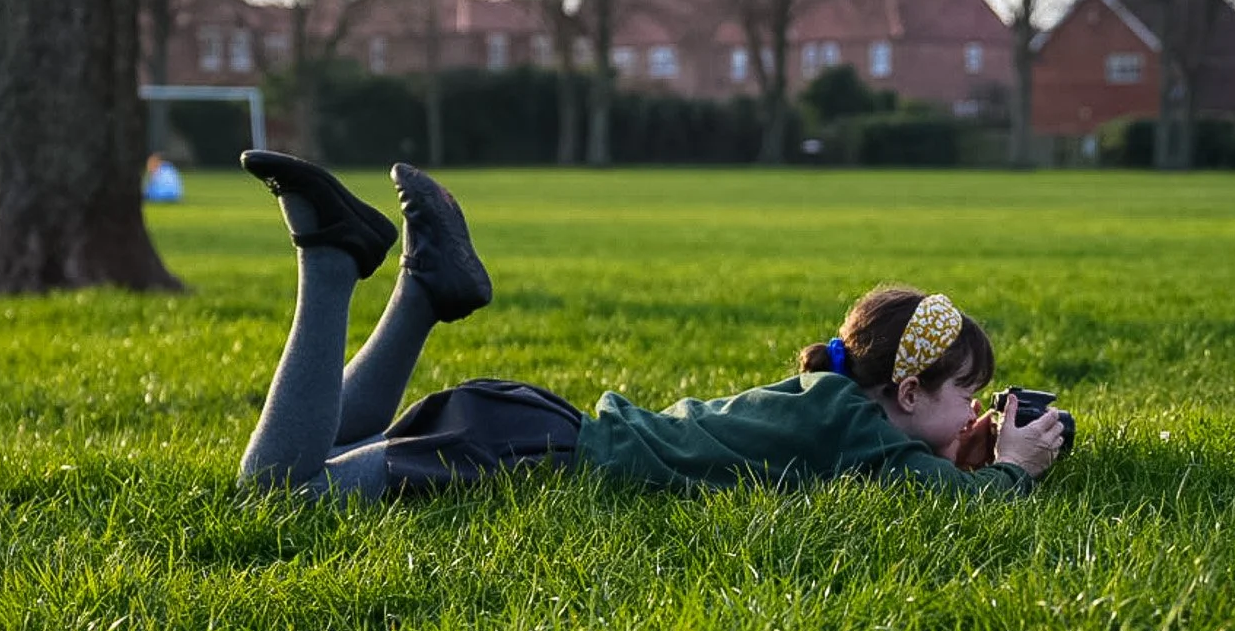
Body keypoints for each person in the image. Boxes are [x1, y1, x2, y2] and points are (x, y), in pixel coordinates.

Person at [234, 150, 1067, 502]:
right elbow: (952, 506)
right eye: (971, 394)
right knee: (276, 495)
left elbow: (922, 471)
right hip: (527, 451)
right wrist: (1015, 467)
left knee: (318, 465)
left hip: (526, 429)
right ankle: (332, 259)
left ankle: (425, 289)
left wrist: (962, 446)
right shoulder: (848, 423)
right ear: (909, 387)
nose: (978, 412)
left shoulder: (836, 408)